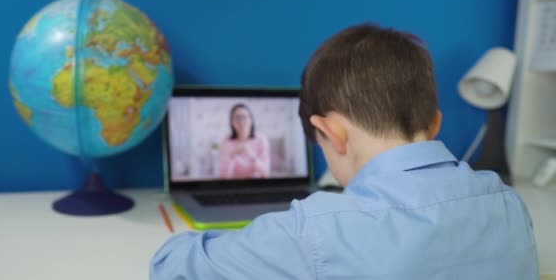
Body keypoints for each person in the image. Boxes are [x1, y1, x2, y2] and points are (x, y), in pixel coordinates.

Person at [151, 24, 538, 279]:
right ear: (434, 123)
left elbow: (171, 267)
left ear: (330, 133)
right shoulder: (509, 205)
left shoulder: (314, 229)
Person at [218, 104, 270, 179]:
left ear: (251, 120)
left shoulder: (261, 139)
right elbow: (223, 176)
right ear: (231, 122)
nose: (241, 121)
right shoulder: (226, 142)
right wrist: (232, 156)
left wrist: (252, 156)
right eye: (237, 118)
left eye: (244, 117)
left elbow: (265, 173)